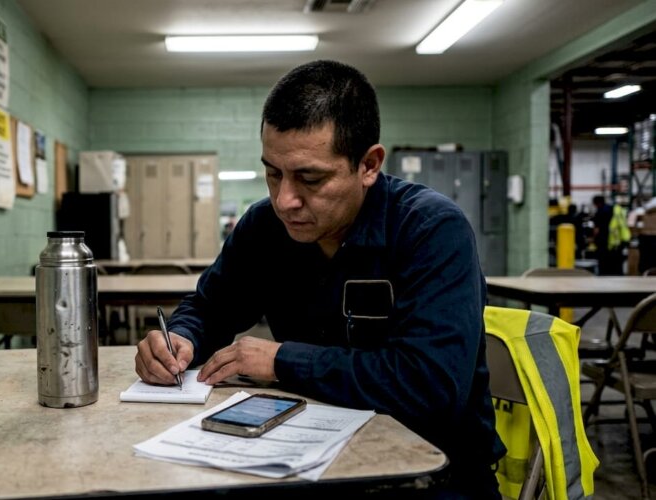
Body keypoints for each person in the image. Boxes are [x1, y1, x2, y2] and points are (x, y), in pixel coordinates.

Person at [134, 60, 505, 498]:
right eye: (273, 173)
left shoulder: (431, 231)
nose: (284, 200)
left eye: (310, 178)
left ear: (368, 165)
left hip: (432, 474)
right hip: (309, 457)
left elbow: (429, 386)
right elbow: (211, 307)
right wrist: (181, 337)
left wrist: (282, 361)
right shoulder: (263, 228)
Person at [591, 195, 627, 275]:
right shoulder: (614, 209)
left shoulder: (600, 212)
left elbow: (597, 229)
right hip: (616, 240)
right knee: (615, 263)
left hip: (603, 241)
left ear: (597, 203)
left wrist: (593, 239)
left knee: (604, 263)